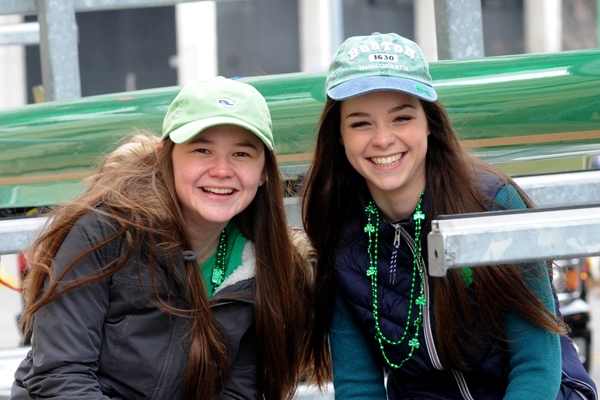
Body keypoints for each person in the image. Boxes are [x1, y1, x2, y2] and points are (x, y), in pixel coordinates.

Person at [302, 32, 598, 399]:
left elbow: (537, 365)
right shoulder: (340, 231)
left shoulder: (492, 201)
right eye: (361, 123)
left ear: (429, 122)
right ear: (340, 136)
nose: (382, 139)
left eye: (402, 117)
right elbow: (358, 385)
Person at [11, 76, 313, 400]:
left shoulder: (266, 267)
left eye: (241, 154)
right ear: (163, 157)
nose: (222, 170)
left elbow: (239, 392)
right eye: (202, 149)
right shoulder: (105, 231)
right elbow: (59, 375)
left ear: (264, 171)